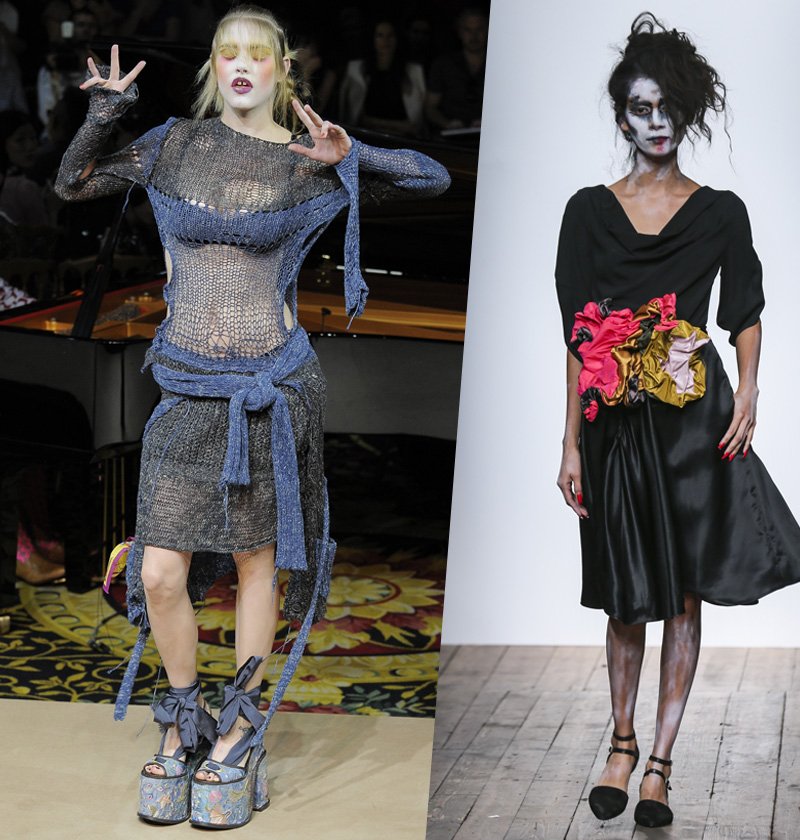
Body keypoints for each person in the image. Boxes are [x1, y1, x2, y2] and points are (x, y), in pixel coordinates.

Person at [53, 6, 449, 829]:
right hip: (186, 393)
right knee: (159, 573)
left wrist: (353, 154)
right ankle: (185, 713)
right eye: (227, 53)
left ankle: (238, 732)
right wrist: (103, 114)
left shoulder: (308, 160)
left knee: (254, 566)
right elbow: (72, 184)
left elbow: (432, 179)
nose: (241, 65)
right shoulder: (172, 144)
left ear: (281, 70)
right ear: (213, 67)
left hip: (271, 391)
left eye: (257, 54)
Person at [554, 13, 800, 829]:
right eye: (641, 108)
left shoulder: (720, 212)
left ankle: (659, 766)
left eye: (668, 106)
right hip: (614, 422)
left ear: (688, 110)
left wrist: (750, 392)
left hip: (692, 417)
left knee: (683, 596)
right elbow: (578, 336)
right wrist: (569, 440)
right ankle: (620, 744)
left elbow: (745, 312)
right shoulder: (586, 213)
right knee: (624, 595)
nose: (656, 121)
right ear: (621, 117)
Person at [338, 19, 426, 136]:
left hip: (403, 138)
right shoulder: (356, 69)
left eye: (390, 35)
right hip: (365, 136)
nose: (386, 40)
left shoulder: (414, 71)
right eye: (380, 36)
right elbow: (356, 117)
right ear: (372, 39)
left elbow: (415, 123)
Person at [424, 7, 488, 131]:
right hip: (450, 136)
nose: (474, 35)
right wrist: (448, 124)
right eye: (468, 30)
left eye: (479, 29)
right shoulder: (443, 64)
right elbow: (430, 107)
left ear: (487, 30)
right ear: (459, 32)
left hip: (490, 135)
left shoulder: (499, 66)